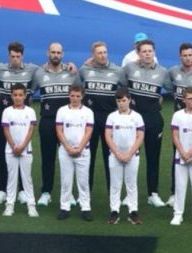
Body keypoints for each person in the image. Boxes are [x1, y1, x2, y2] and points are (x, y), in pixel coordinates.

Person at [0, 42, 39, 205]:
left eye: (18, 56)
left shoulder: (32, 69)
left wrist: (70, 66)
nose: (15, 59)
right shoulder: (0, 68)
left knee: (23, 152)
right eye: (12, 56)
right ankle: (2, 190)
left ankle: (22, 191)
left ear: (22, 56)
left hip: (23, 119)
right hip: (4, 118)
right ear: (8, 55)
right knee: (3, 152)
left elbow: (48, 69)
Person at [123, 39, 172, 207]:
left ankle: (153, 194)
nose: (147, 54)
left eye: (150, 51)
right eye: (144, 51)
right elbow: (117, 79)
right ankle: (129, 195)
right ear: (138, 53)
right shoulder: (129, 68)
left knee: (153, 158)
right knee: (130, 158)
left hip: (153, 121)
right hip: (132, 121)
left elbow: (174, 89)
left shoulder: (163, 72)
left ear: (154, 52)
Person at [31, 42, 81, 206]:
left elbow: (79, 93)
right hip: (48, 121)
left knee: (69, 158)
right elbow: (29, 93)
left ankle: (69, 193)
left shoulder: (71, 72)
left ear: (63, 54)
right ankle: (46, 192)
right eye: (53, 52)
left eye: (58, 53)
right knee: (48, 158)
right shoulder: (39, 73)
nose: (56, 55)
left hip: (68, 123)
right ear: (48, 53)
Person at [79, 41, 126, 191]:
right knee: (88, 157)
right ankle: (85, 193)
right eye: (99, 53)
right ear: (93, 55)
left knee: (110, 157)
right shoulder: (84, 70)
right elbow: (76, 86)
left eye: (105, 52)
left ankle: (113, 193)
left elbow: (126, 89)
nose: (103, 55)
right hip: (89, 120)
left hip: (109, 119)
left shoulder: (117, 70)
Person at [167, 43, 192, 207]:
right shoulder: (174, 72)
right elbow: (166, 84)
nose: (188, 58)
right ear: (180, 56)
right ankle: (174, 194)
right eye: (184, 55)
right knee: (177, 157)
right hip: (180, 123)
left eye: (190, 55)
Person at [105, 88, 144, 225]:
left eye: (123, 101)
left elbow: (140, 137)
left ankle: (133, 212)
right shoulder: (112, 117)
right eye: (119, 101)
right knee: (115, 184)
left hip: (132, 156)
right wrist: (117, 153)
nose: (121, 103)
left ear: (129, 100)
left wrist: (129, 154)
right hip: (114, 156)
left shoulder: (137, 117)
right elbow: (108, 136)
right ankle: (114, 212)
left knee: (131, 184)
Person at [55, 85, 94, 221]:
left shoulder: (88, 112)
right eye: (72, 95)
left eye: (78, 96)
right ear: (69, 95)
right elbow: (59, 130)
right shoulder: (62, 110)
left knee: (83, 181)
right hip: (65, 151)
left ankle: (85, 208)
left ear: (82, 96)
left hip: (83, 152)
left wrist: (79, 148)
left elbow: (88, 131)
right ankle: (64, 207)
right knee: (66, 181)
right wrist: (68, 148)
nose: (75, 98)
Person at [1, 84, 38, 218]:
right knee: (11, 178)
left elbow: (31, 130)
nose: (18, 97)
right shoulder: (7, 111)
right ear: (11, 96)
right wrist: (13, 146)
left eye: (20, 95)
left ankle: (31, 206)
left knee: (27, 179)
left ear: (25, 96)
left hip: (26, 150)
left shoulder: (30, 111)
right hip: (10, 151)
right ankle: (9, 205)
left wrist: (22, 146)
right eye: (15, 95)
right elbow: (6, 129)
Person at [170, 87, 192, 226]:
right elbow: (175, 136)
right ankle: (178, 214)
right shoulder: (177, 115)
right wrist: (183, 153)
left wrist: (190, 152)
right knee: (180, 187)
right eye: (190, 99)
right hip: (181, 158)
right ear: (184, 100)